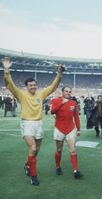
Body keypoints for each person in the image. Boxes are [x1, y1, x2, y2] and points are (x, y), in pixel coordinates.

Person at [2, 56, 63, 185]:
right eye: (30, 85)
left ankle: (27, 165)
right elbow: (9, 84)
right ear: (26, 87)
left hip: (39, 124)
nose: (33, 87)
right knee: (33, 147)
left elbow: (53, 86)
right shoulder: (21, 94)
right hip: (27, 123)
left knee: (36, 150)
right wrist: (6, 70)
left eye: (34, 85)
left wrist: (59, 74)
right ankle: (33, 176)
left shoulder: (41, 93)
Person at [50, 86, 82, 179]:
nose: (68, 93)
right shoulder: (56, 100)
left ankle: (76, 170)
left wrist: (78, 129)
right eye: (66, 91)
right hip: (59, 128)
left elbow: (76, 117)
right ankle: (57, 167)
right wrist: (61, 103)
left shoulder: (73, 103)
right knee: (59, 149)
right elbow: (52, 112)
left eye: (69, 91)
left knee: (72, 149)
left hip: (70, 129)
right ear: (62, 92)